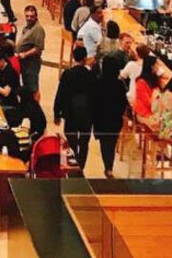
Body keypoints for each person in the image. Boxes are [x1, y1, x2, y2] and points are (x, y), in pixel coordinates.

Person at [54, 46, 97, 171]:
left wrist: (57, 112)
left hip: (70, 113)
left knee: (71, 138)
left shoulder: (67, 74)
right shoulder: (91, 75)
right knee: (84, 142)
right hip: (87, 114)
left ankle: (74, 159)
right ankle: (81, 165)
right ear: (85, 59)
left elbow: (60, 94)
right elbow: (95, 96)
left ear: (73, 57)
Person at [94, 38, 129, 178]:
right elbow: (123, 102)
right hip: (115, 119)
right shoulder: (119, 85)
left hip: (101, 119)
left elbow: (94, 101)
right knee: (112, 142)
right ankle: (109, 166)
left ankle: (107, 165)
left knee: (104, 143)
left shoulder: (99, 83)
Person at [16, 5, 46, 102]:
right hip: (24, 63)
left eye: (31, 16)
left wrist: (24, 54)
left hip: (31, 63)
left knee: (33, 88)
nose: (29, 18)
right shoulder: (26, 28)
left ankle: (36, 108)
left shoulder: (38, 29)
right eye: (27, 16)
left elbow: (39, 48)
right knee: (27, 85)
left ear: (36, 16)